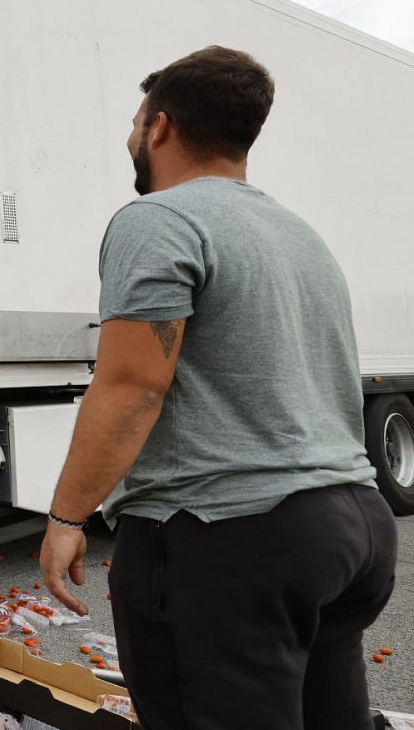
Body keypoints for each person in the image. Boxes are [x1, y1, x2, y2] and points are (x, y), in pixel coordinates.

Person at [38, 46, 395, 729]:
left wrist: (65, 518)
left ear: (162, 127)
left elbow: (134, 385)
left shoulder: (157, 219)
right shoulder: (297, 233)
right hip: (353, 526)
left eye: (135, 121)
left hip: (228, 539)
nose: (130, 136)